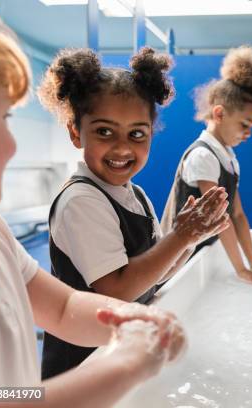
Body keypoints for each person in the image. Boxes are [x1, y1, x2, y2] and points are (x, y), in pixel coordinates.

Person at [0, 2, 186, 406]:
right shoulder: (79, 200)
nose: (13, 144)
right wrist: (127, 363)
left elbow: (65, 307)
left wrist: (132, 322)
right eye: (1, 119)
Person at [37, 47, 230, 379]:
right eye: (104, 131)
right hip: (82, 365)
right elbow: (118, 290)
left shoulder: (134, 194)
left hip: (120, 351)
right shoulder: (81, 200)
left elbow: (153, 276)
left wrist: (190, 240)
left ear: (151, 134)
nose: (123, 147)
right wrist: (181, 235)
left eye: (137, 134)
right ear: (74, 132)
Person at [162, 46, 252, 284]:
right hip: (176, 261)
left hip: (199, 253)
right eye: (245, 124)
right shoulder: (204, 156)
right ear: (219, 114)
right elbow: (220, 219)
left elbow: (238, 215)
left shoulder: (227, 157)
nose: (249, 133)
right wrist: (240, 268)